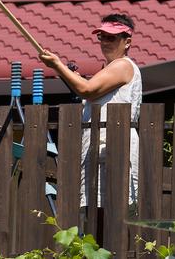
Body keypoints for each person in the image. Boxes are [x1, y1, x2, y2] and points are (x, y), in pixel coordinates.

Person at [39, 13, 142, 211]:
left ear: (127, 41)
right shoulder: (111, 67)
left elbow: (87, 89)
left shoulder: (122, 65)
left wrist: (58, 66)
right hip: (103, 148)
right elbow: (89, 89)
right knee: (99, 214)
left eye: (111, 37)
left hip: (113, 148)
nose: (105, 41)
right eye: (101, 36)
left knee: (111, 213)